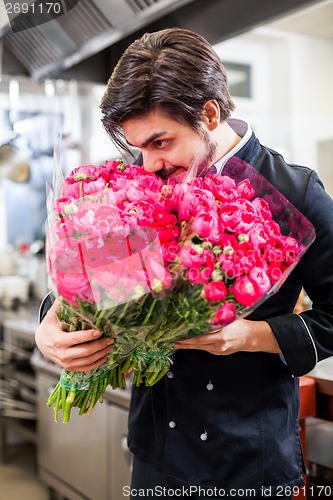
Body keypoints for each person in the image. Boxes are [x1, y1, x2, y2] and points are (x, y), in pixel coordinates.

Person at [35, 28, 333, 499]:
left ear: (210, 114)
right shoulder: (143, 179)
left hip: (249, 459)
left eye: (160, 142)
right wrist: (52, 321)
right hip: (158, 452)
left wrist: (248, 337)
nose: (147, 165)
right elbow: (95, 274)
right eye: (137, 148)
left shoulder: (295, 192)